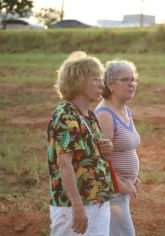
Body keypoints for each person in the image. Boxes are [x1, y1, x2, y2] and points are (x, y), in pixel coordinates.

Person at [47, 54, 115, 236]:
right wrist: (77, 206)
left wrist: (105, 147)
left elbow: (90, 154)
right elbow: (64, 163)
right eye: (96, 80)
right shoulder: (66, 115)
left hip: (97, 200)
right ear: (78, 81)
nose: (102, 85)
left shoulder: (89, 115)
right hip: (75, 206)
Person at [94, 59, 141, 236]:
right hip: (112, 193)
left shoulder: (125, 110)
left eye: (133, 79)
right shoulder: (105, 115)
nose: (132, 84)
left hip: (123, 191)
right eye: (126, 80)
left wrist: (133, 178)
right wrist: (120, 183)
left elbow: (126, 149)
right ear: (110, 84)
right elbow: (100, 161)